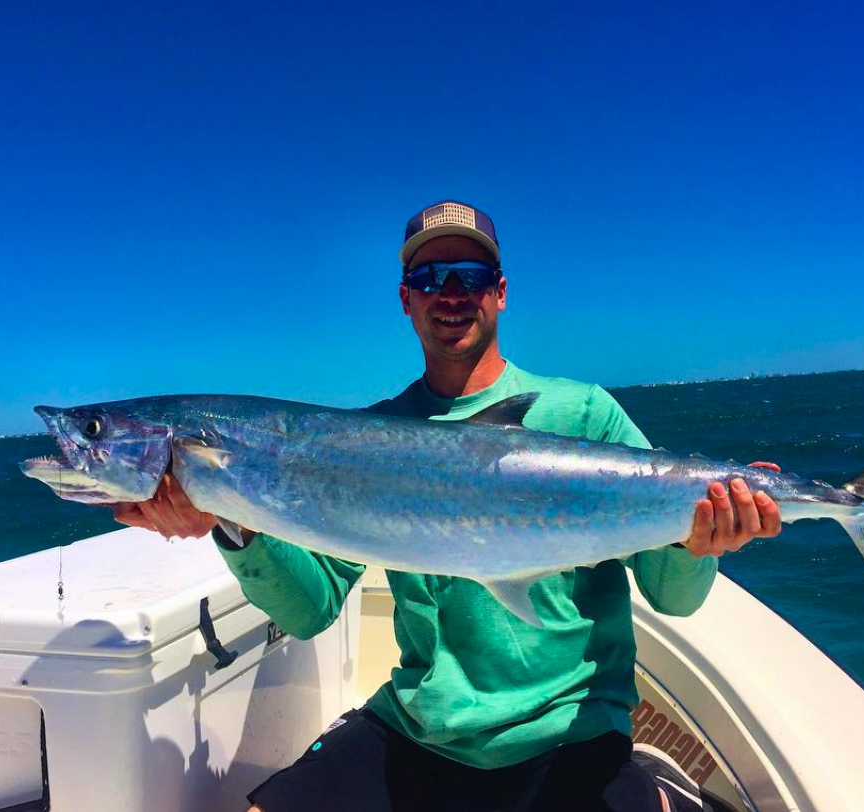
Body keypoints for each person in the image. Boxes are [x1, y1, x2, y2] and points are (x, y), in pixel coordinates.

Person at [113, 200, 783, 811]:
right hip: (422, 732)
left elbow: (672, 597)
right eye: (432, 280)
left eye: (468, 275)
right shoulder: (362, 440)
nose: (451, 294)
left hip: (570, 731)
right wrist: (231, 527)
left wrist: (701, 544)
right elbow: (309, 610)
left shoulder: (584, 415)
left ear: (500, 292)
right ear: (406, 300)